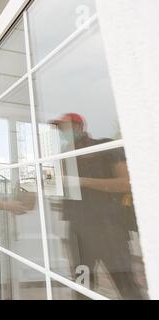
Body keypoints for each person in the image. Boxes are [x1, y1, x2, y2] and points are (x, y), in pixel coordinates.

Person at [49, 113, 146, 299]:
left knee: (126, 286)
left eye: (65, 128)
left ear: (78, 127)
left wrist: (79, 181)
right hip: (78, 230)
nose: (62, 132)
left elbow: (125, 183)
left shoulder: (104, 147)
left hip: (109, 229)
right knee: (82, 285)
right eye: (60, 129)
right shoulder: (64, 155)